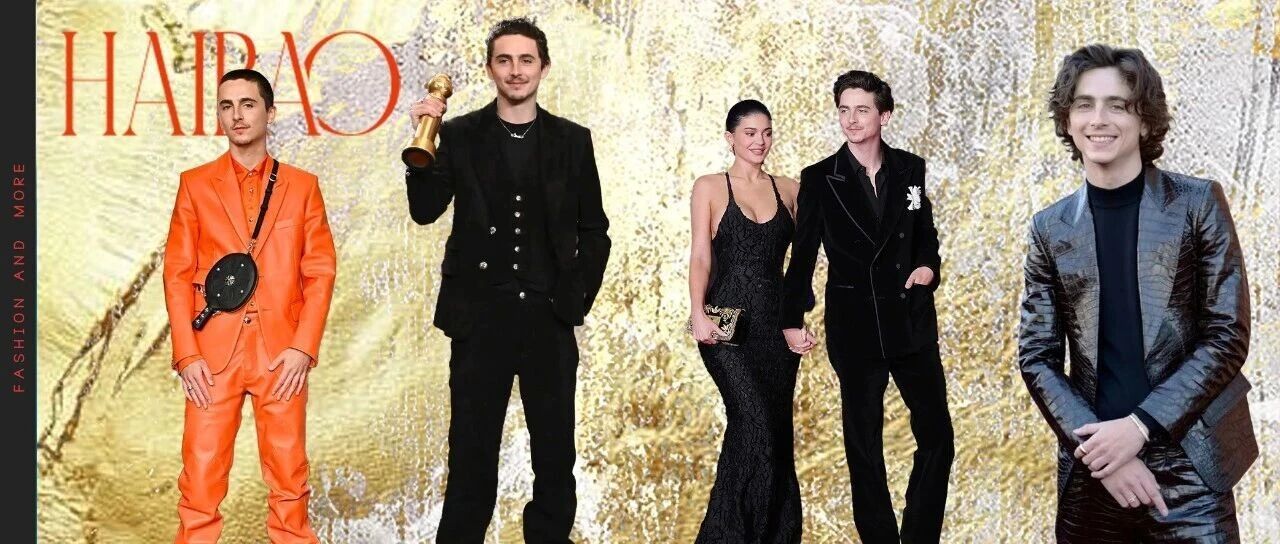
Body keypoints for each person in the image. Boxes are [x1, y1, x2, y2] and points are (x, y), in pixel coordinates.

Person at [1020, 43, 1257, 542]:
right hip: (1093, 467)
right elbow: (1037, 357)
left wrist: (1139, 427)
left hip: (1190, 468)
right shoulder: (1049, 227)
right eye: (1084, 104)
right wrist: (1102, 453)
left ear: (1145, 121)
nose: (1098, 119)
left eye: (1118, 105)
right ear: (1067, 121)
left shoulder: (1198, 203)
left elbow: (1227, 334)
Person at [404, 17, 611, 544]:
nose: (515, 70)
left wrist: (573, 301)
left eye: (525, 60)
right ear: (490, 69)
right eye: (504, 60)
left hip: (549, 321)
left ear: (543, 67)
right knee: (471, 464)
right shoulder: (458, 134)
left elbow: (595, 232)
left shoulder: (573, 140)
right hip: (479, 322)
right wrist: (421, 147)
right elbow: (425, 211)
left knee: (556, 464)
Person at [163, 68, 337, 543]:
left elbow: (320, 271)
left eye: (247, 104)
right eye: (226, 105)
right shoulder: (195, 184)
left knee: (289, 482)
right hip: (211, 355)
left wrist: (303, 348)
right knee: (199, 483)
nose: (236, 115)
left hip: (281, 354)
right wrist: (186, 354)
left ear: (270, 112)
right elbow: (176, 273)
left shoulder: (302, 186)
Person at [780, 70, 953, 543]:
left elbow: (925, 234)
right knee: (864, 448)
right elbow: (803, 253)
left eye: (862, 109)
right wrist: (791, 318)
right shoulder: (820, 178)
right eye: (844, 110)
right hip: (854, 327)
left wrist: (928, 267)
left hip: (910, 319)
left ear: (885, 115)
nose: (851, 119)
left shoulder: (910, 169)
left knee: (938, 438)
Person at [688, 99, 807, 543]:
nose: (760, 141)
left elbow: (806, 261)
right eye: (750, 133)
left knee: (775, 434)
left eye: (767, 133)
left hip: (776, 332)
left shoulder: (791, 190)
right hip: (725, 328)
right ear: (730, 138)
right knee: (753, 423)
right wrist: (697, 312)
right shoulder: (710, 187)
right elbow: (701, 256)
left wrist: (798, 319)